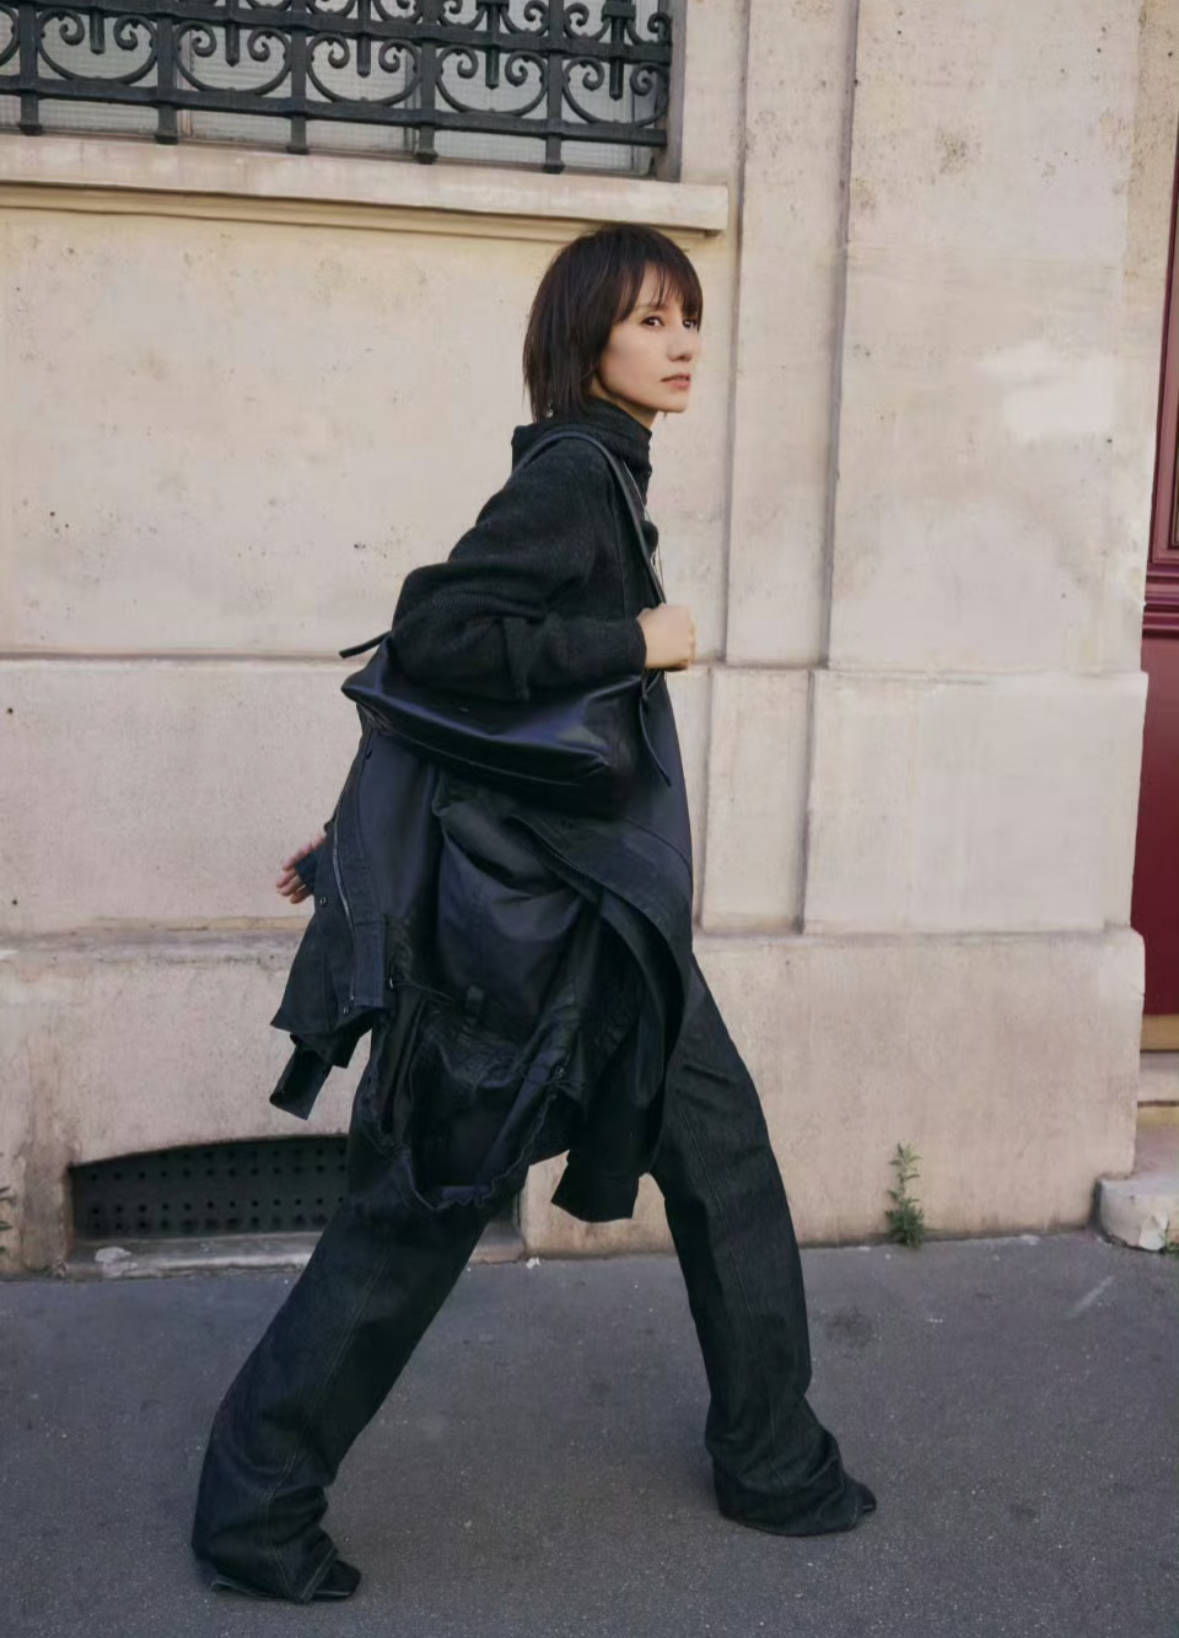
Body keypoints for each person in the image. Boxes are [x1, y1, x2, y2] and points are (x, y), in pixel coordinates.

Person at [189, 223, 875, 1606]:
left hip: (599, 927)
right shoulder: (572, 474)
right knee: (417, 1211)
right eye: (648, 320)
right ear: (585, 342)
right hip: (536, 941)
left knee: (724, 1164)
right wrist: (638, 640)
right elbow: (441, 636)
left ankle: (772, 1457)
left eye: (687, 316)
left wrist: (357, 827)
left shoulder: (607, 475)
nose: (682, 343)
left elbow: (474, 707)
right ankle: (253, 1510)